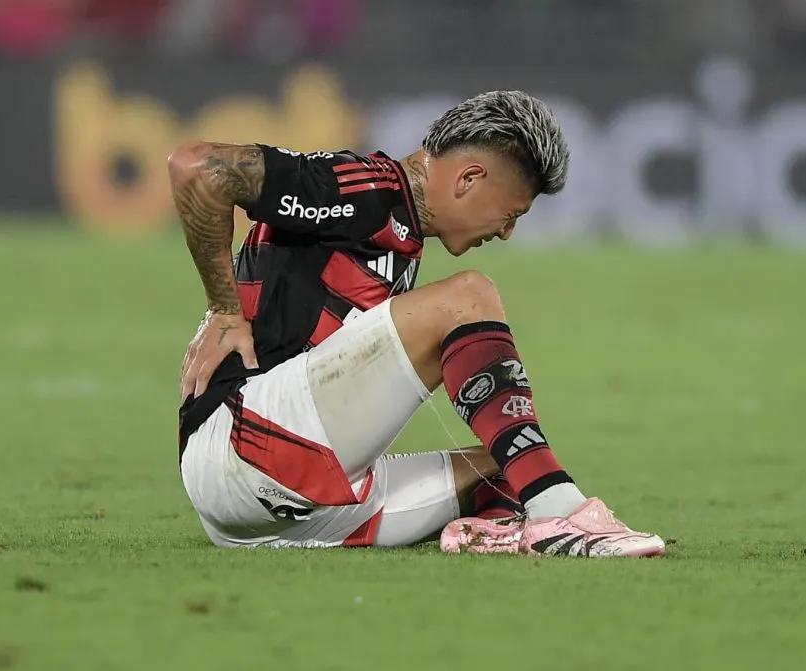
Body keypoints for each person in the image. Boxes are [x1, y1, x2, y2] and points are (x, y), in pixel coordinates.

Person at [170, 90, 665, 557]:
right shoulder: (364, 186)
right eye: (511, 213)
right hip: (245, 450)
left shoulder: (400, 227)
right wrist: (224, 310)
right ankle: (564, 519)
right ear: (468, 179)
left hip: (282, 514)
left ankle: (507, 529)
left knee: (509, 468)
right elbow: (197, 168)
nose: (508, 232)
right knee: (468, 297)